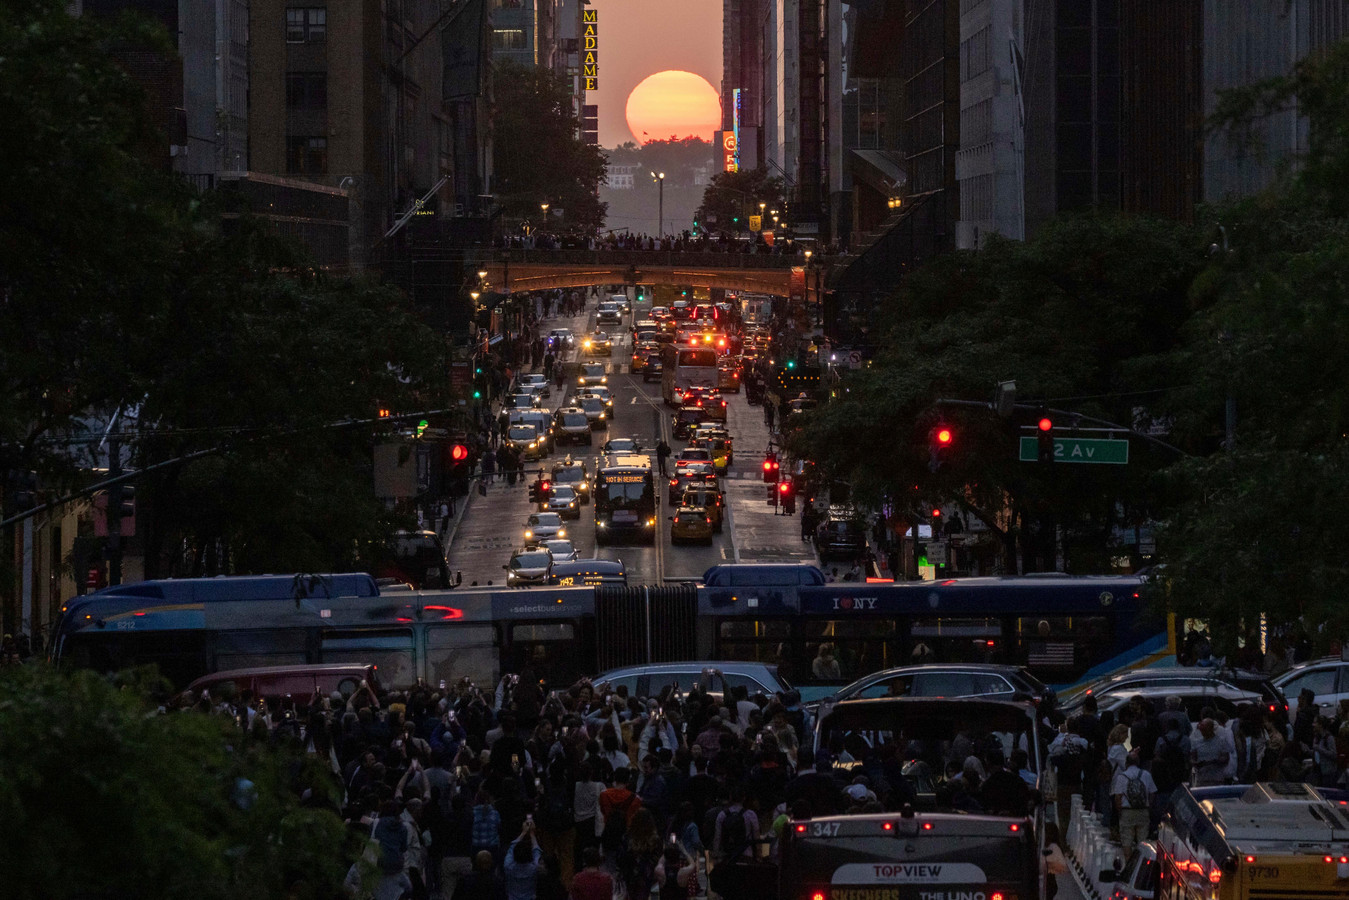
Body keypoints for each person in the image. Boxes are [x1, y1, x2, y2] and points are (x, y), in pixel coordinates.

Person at [1112, 749, 1157, 847]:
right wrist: (1148, 807)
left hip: (1127, 811)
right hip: (1143, 811)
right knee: (1143, 843)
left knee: (1126, 842)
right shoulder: (1146, 775)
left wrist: (1120, 812)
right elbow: (1152, 793)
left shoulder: (1122, 776)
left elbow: (1118, 797)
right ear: (1138, 762)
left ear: (1126, 763)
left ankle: (1128, 861)